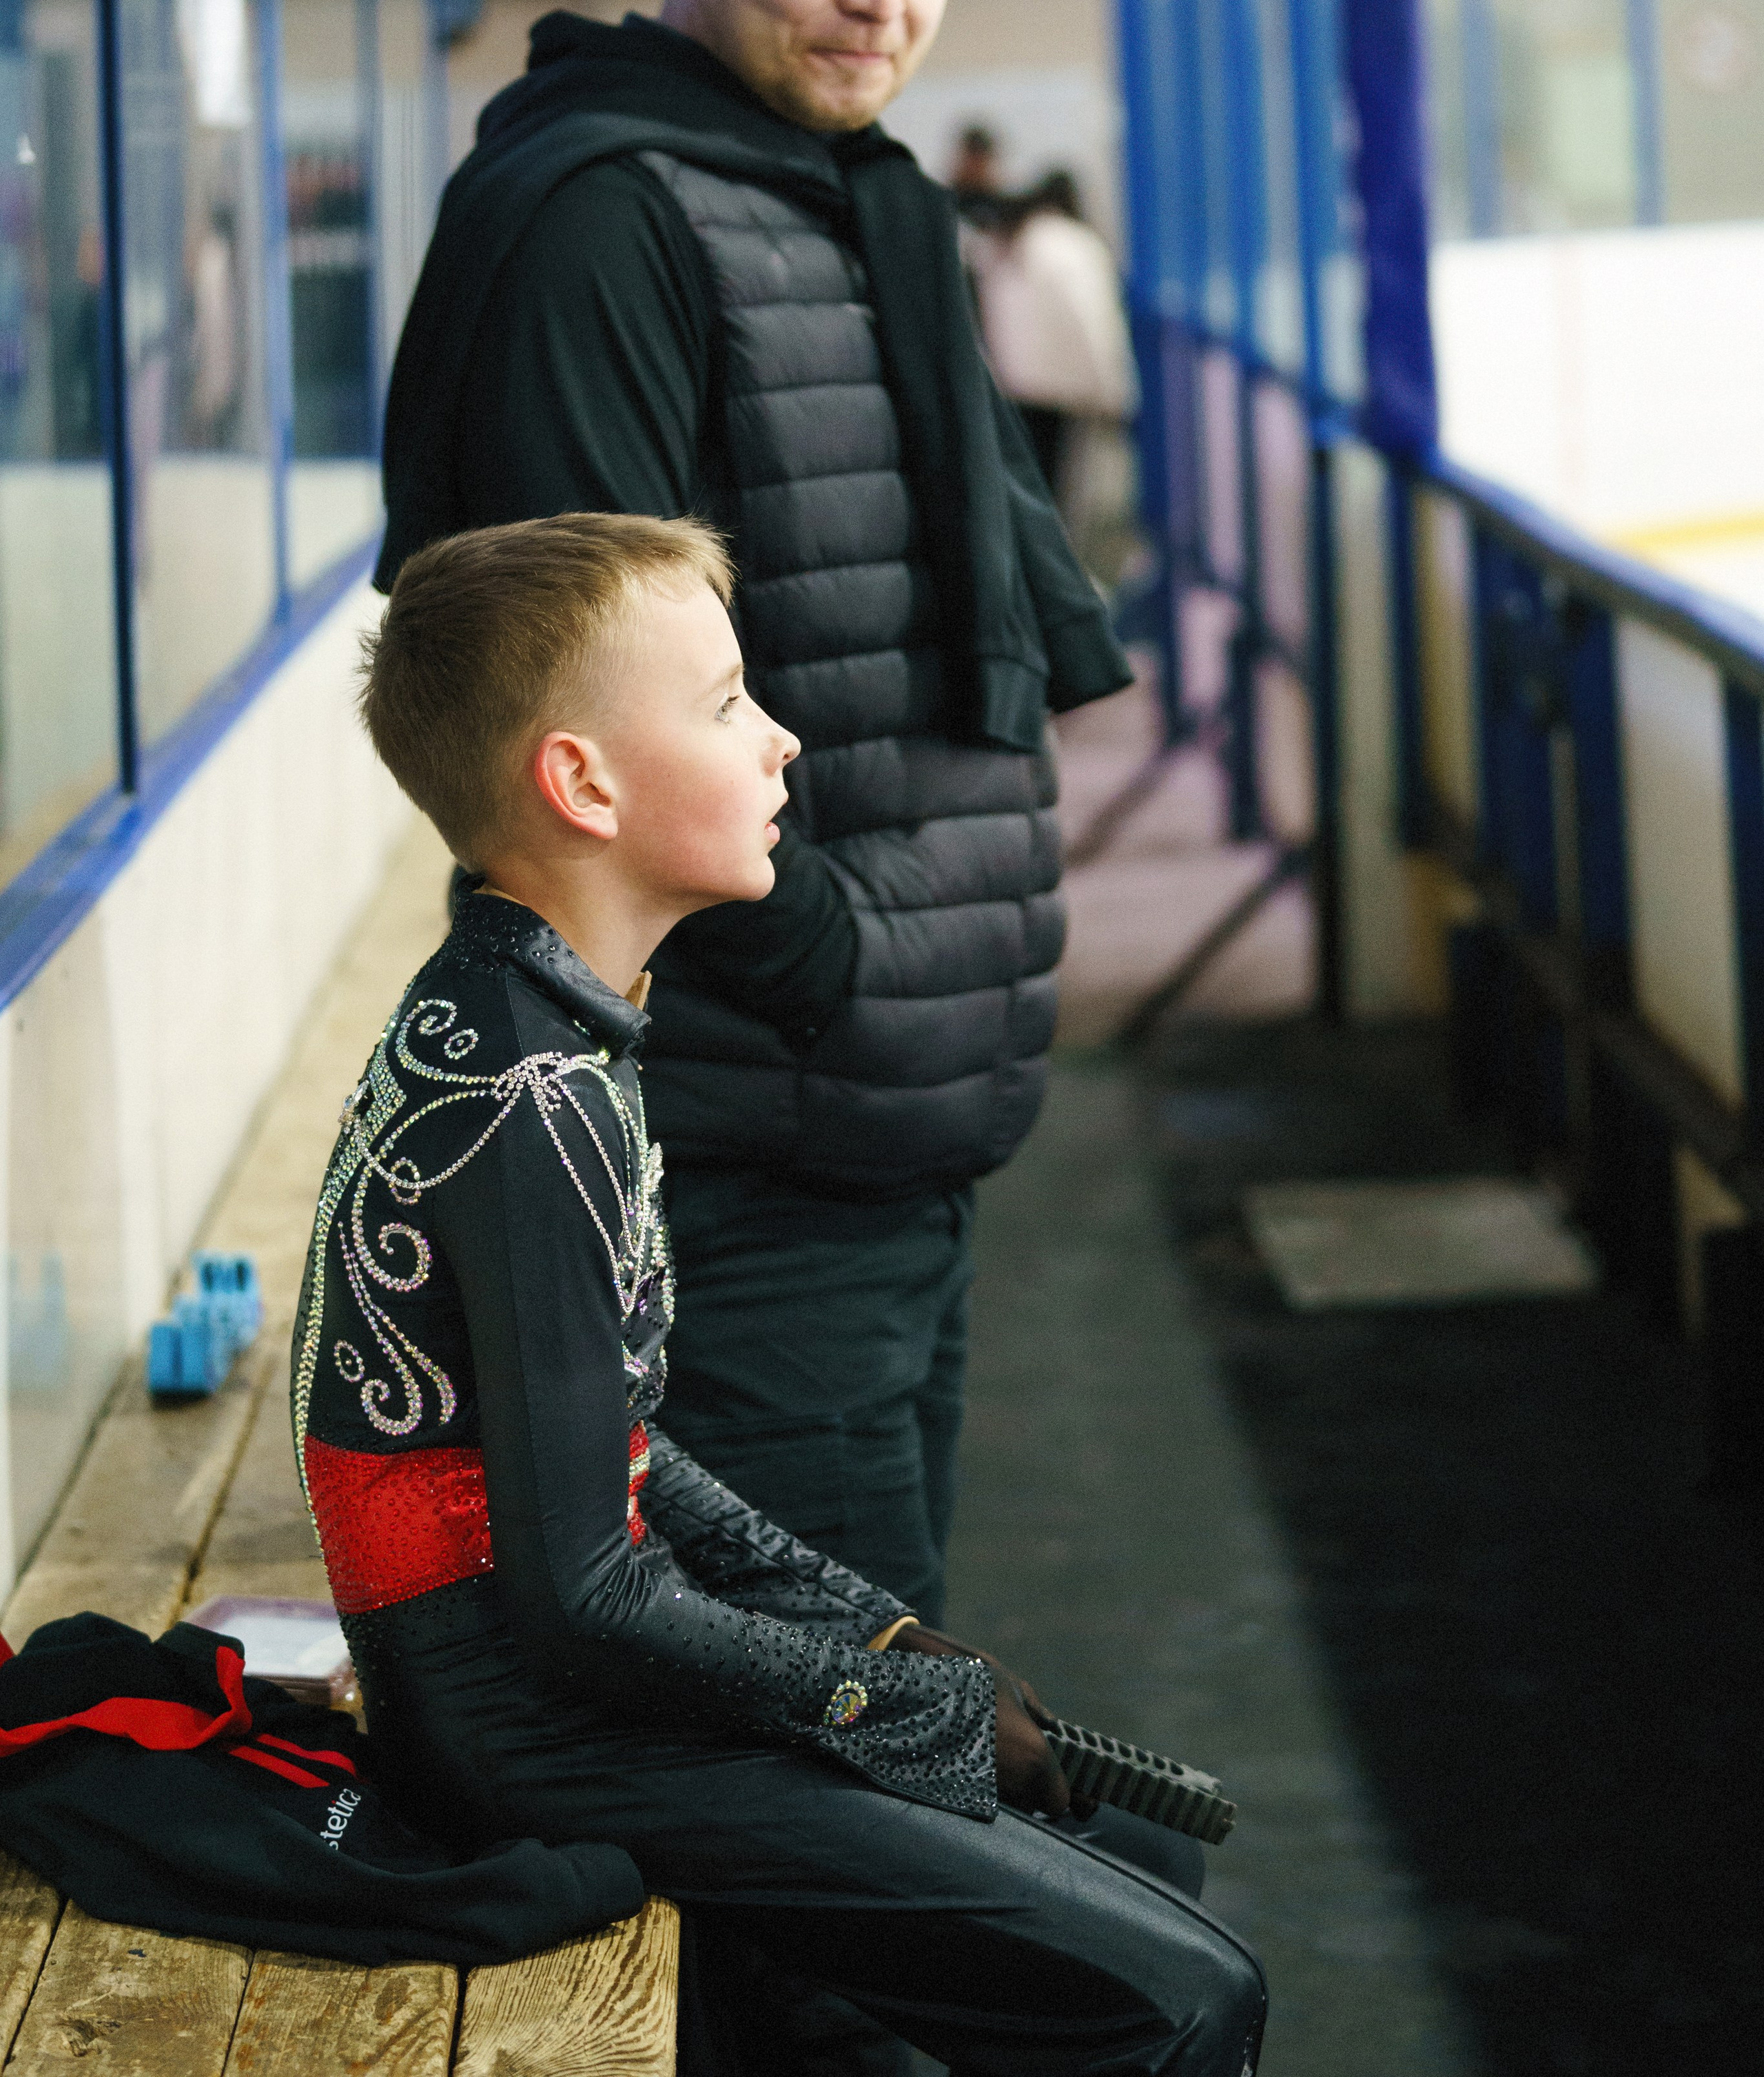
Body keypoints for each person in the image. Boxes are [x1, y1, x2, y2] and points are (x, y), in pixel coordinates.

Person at [296, 509, 1266, 2076]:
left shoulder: (541, 1021)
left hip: (540, 1703)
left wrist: (883, 1633)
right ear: (583, 782)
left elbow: (618, 1455)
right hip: (524, 1740)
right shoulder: (527, 1098)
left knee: (1152, 1878)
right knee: (1178, 1996)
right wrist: (889, 1706)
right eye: (728, 701)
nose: (780, 737)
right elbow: (584, 1592)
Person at [375, 0, 1132, 1649]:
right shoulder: (602, 226)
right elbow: (568, 729)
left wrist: (891, 1014)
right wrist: (836, 975)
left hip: (884, 1124)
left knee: (881, 1704)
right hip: (749, 1147)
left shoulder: (852, 193)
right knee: (839, 1775)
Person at [969, 168, 1138, 529]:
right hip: (1063, 393)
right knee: (1061, 499)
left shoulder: (1003, 242)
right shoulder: (1074, 246)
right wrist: (1115, 391)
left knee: (1021, 492)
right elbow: (1094, 322)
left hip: (1009, 388)